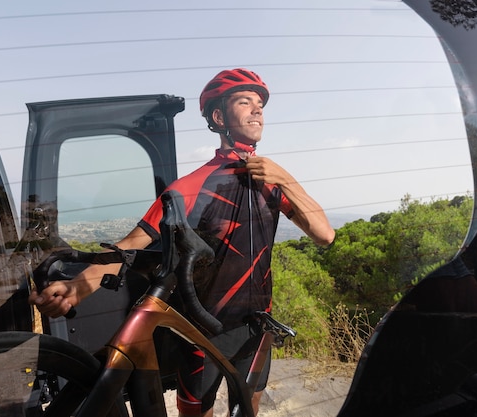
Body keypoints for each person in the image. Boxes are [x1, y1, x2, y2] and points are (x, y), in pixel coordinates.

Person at [29, 68, 335, 417]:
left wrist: (284, 177)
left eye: (260, 104)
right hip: (201, 332)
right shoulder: (191, 186)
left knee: (249, 408)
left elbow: (324, 234)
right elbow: (132, 243)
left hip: (257, 327)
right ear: (219, 116)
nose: (257, 110)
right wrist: (77, 288)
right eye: (244, 101)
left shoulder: (272, 182)